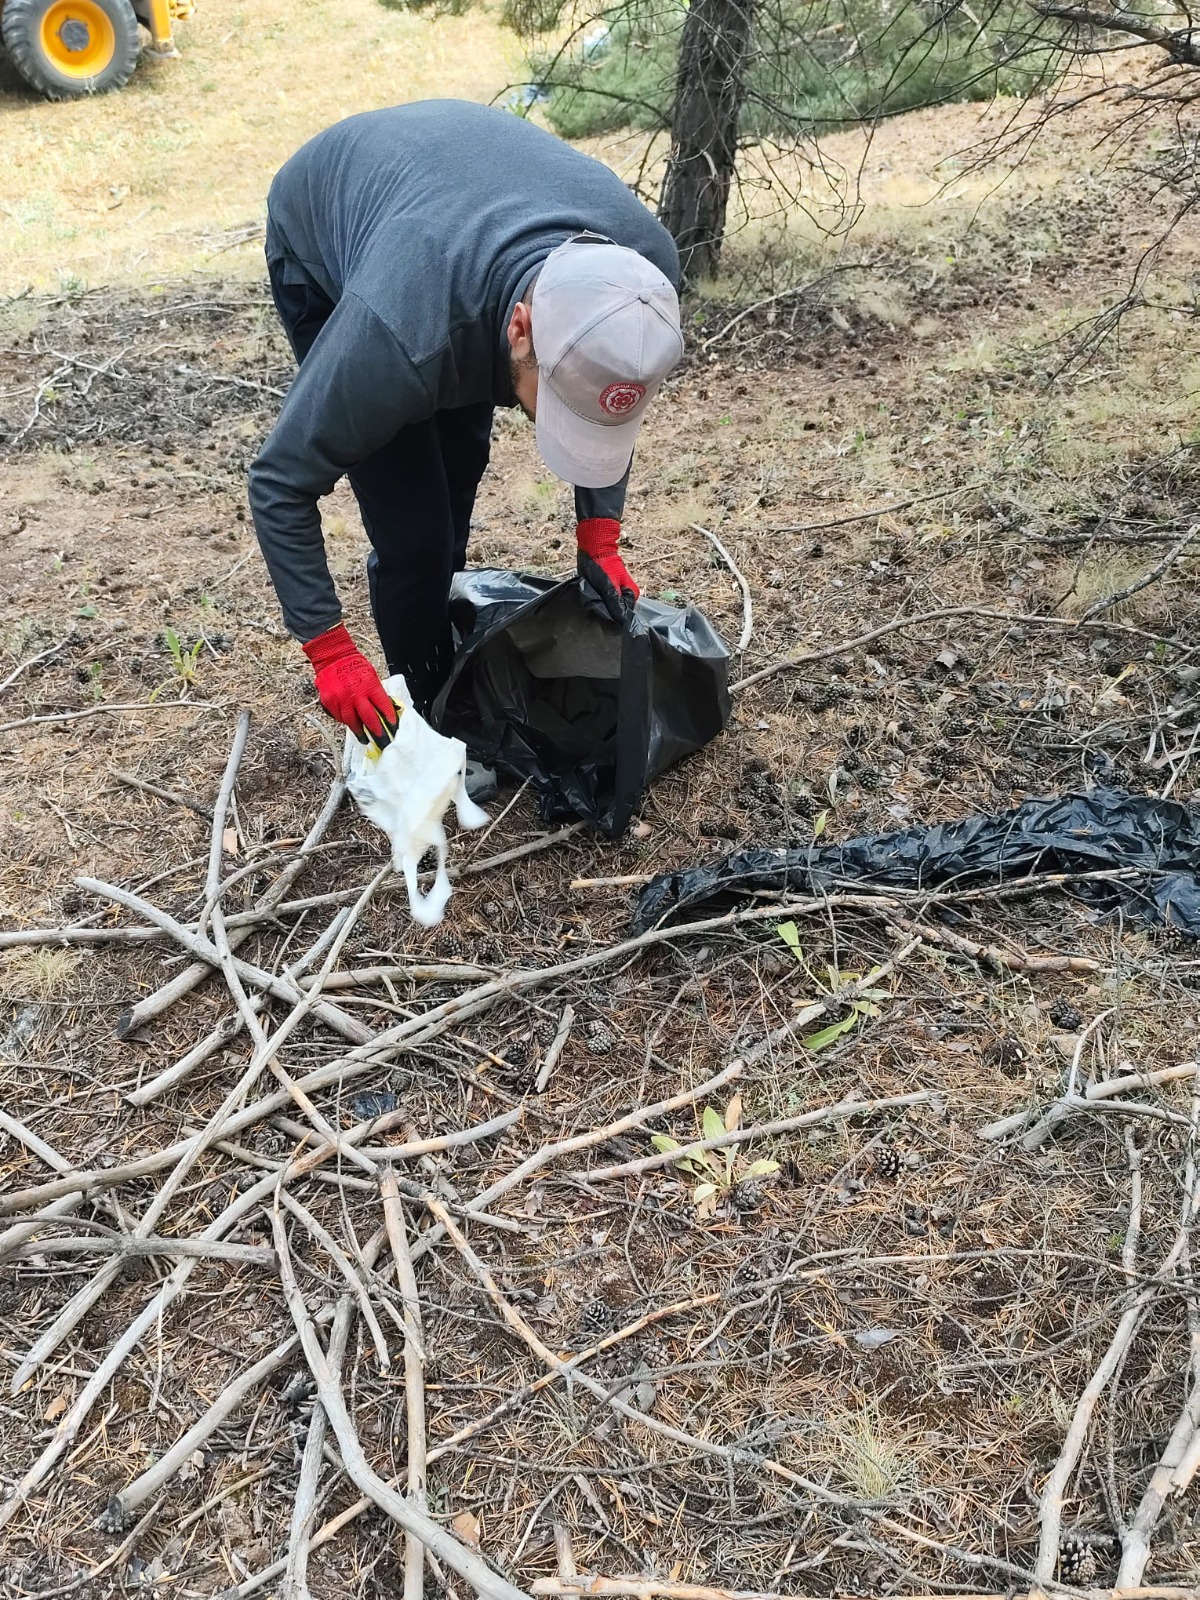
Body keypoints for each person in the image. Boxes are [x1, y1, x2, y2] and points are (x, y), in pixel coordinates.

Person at [248, 99, 684, 779]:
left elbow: (604, 393)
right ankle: (423, 713)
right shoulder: (396, 337)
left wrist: (599, 530)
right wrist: (328, 648)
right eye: (557, 406)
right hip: (325, 224)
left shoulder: (643, 280)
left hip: (455, 223)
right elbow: (279, 482)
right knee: (414, 528)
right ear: (520, 329)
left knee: (459, 462)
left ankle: (432, 636)